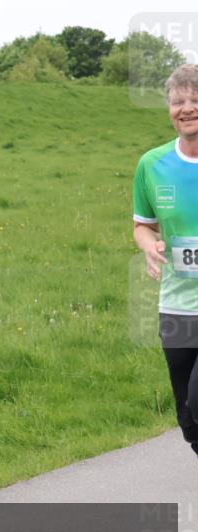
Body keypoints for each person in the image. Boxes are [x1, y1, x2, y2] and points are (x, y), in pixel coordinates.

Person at [133, 64, 198, 458]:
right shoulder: (152, 165)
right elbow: (142, 226)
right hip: (176, 304)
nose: (187, 108)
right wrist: (148, 246)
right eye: (178, 101)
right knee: (187, 416)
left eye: (195, 100)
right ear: (169, 109)